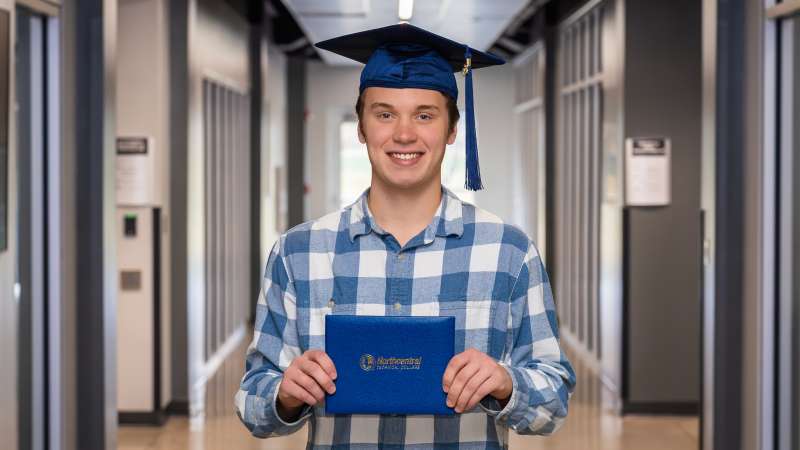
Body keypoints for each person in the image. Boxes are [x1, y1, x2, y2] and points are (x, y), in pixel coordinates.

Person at [235, 23, 575, 448]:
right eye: (384, 114)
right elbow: (253, 402)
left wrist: (507, 383)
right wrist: (284, 394)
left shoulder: (509, 252)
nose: (404, 134)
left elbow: (553, 401)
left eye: (424, 115)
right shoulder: (298, 253)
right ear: (361, 127)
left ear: (452, 129)